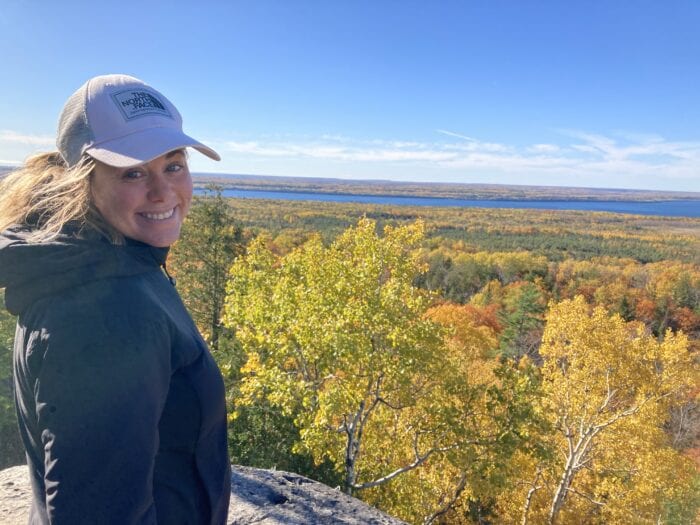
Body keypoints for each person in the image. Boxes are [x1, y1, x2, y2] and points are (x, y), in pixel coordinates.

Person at [0, 74, 231, 524]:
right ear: (81, 181)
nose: (164, 192)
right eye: (133, 171)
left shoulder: (102, 261)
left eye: (174, 164)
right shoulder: (106, 313)